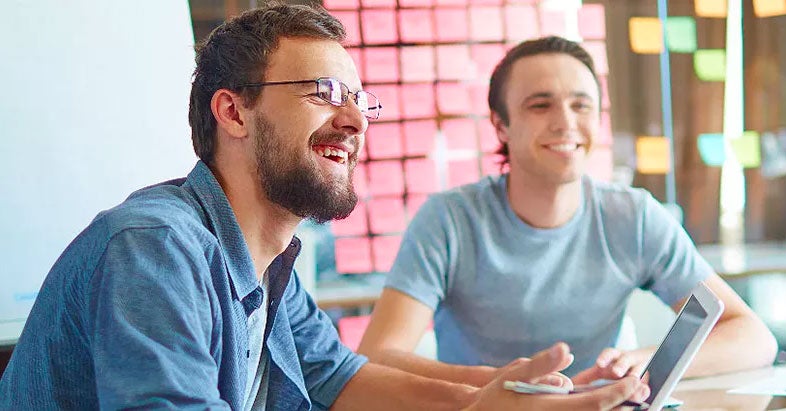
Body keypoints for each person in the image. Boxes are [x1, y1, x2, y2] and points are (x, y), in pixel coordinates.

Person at [0, 5, 650, 410]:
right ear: (233, 110)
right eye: (323, 92)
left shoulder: (273, 261)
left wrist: (499, 391)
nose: (354, 120)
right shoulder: (152, 248)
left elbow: (342, 379)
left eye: (361, 101)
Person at [358, 35, 778, 387]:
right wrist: (506, 385)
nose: (565, 123)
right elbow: (377, 357)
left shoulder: (633, 216)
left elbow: (753, 338)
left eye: (581, 105)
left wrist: (647, 363)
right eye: (540, 105)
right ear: (501, 125)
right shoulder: (448, 220)